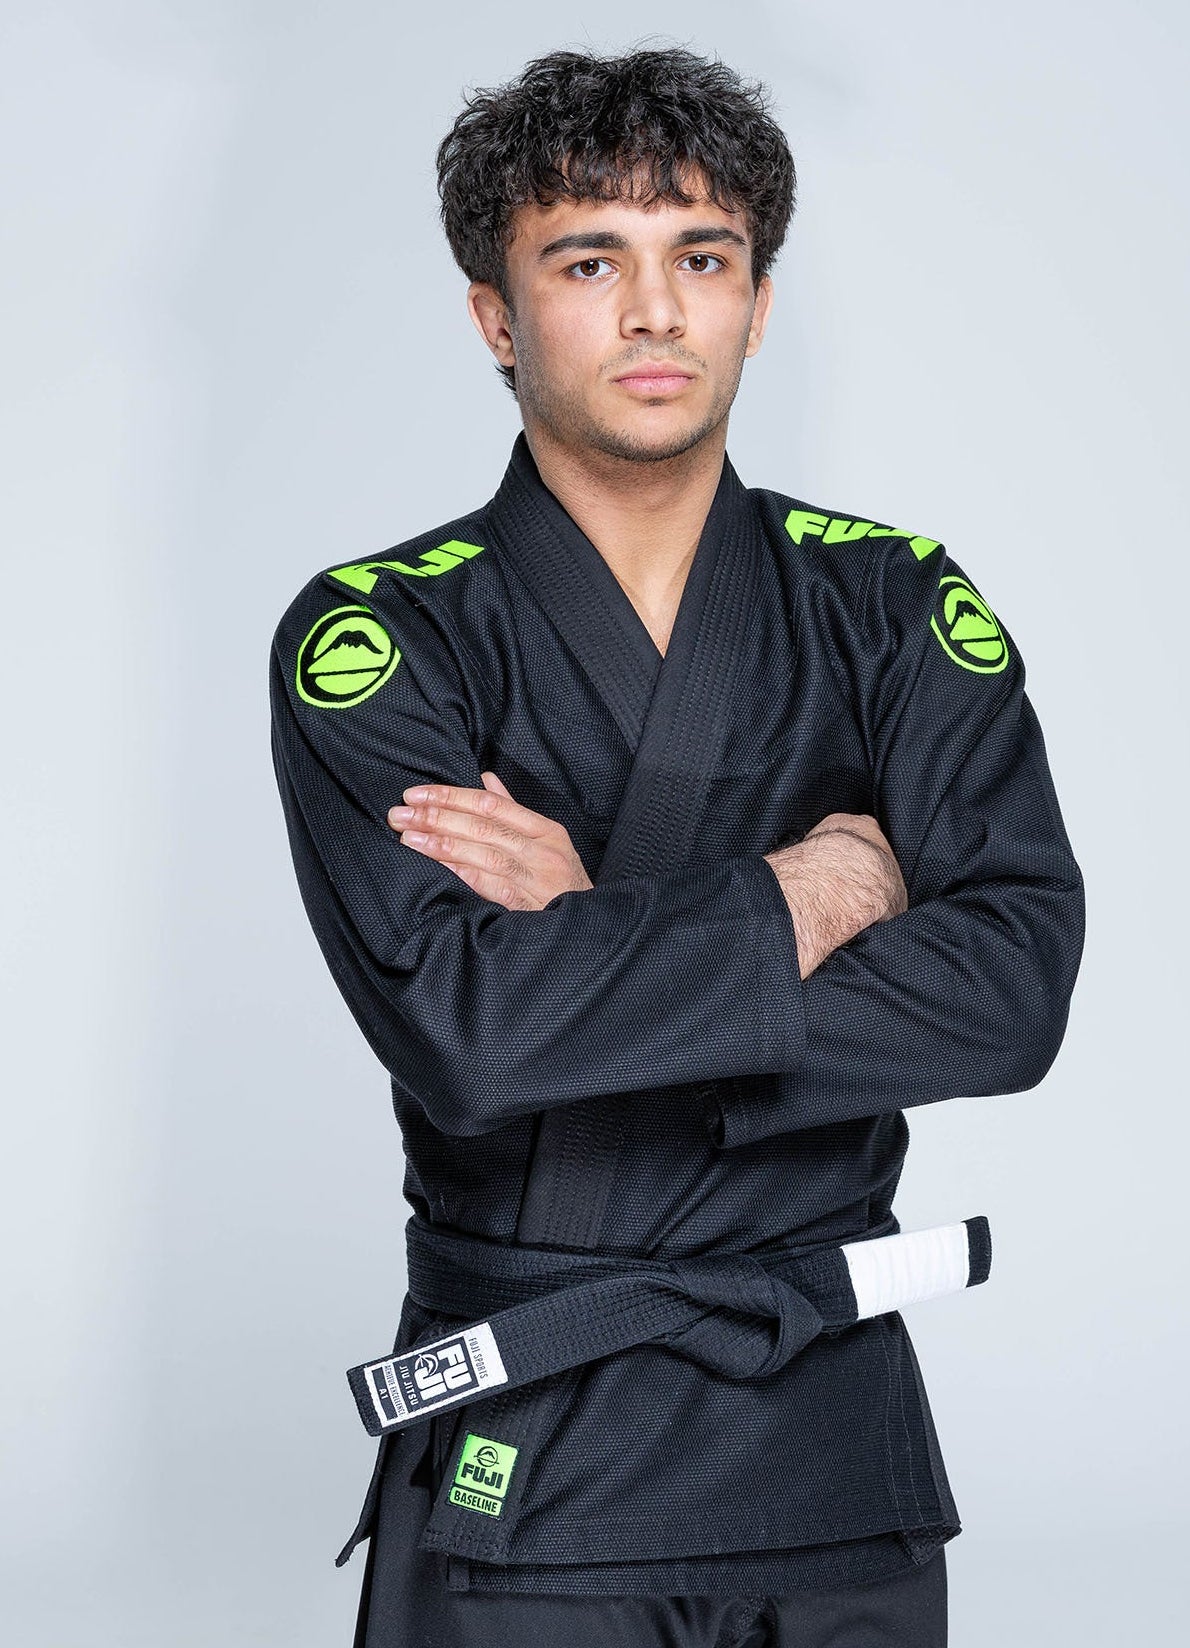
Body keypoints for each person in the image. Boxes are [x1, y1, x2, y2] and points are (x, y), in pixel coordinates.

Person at [269, 44, 1085, 1648]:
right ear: (498, 317)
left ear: (757, 303)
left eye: (701, 258)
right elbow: (475, 1031)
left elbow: (1011, 991)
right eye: (591, 261)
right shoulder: (388, 633)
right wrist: (818, 890)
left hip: (834, 1444)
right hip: (539, 1437)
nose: (657, 312)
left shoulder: (892, 603)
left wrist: (599, 931)